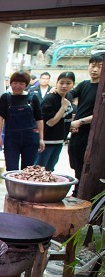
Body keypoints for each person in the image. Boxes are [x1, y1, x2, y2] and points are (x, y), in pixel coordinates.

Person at [0, 71, 45, 171]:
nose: (17, 86)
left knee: (28, 170)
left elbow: (39, 119)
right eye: (15, 83)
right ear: (11, 83)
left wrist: (41, 138)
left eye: (21, 84)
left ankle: (25, 187)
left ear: (26, 85)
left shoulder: (32, 98)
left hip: (30, 138)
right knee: (11, 169)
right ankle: (12, 187)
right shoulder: (5, 98)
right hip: (11, 139)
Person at [67, 54, 102, 196]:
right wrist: (58, 91)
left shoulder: (102, 88)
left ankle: (81, 193)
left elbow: (100, 115)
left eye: (100, 67)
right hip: (77, 131)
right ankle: (77, 190)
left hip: (91, 133)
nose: (95, 70)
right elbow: (70, 94)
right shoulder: (85, 84)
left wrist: (80, 121)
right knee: (75, 161)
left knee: (86, 164)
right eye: (92, 65)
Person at [38, 72, 75, 172]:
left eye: (68, 83)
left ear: (73, 85)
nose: (64, 86)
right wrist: (63, 107)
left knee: (50, 170)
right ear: (56, 83)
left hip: (60, 141)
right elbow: (50, 122)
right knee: (39, 170)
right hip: (47, 141)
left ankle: (46, 188)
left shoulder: (69, 96)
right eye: (61, 83)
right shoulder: (50, 99)